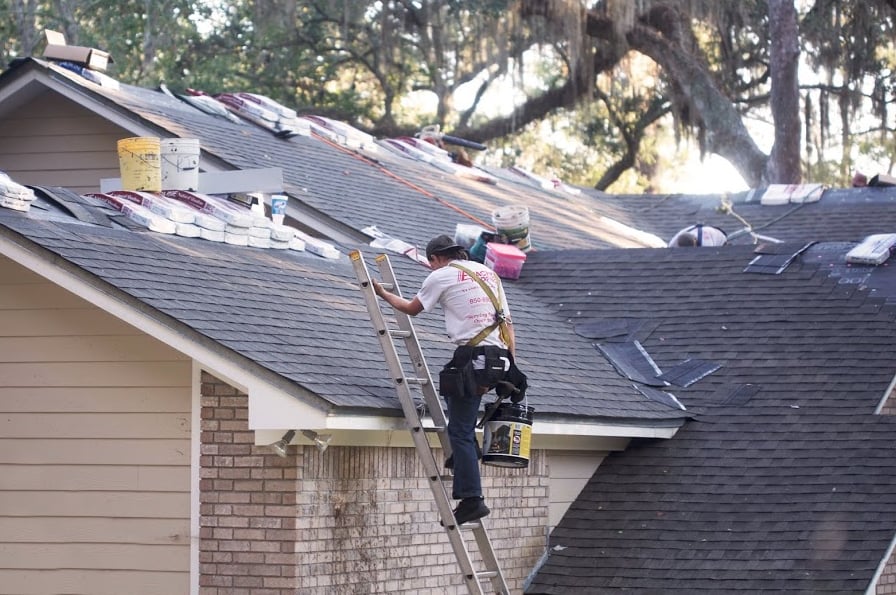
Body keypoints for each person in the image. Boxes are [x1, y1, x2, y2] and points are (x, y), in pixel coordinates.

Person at [372, 234, 521, 525]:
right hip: (499, 358)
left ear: (436, 259)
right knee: (457, 416)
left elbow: (411, 309)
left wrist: (382, 293)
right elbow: (507, 324)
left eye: (431, 264)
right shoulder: (487, 273)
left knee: (461, 431)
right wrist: (512, 368)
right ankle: (462, 458)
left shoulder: (441, 275)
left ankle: (472, 499)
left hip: (474, 360)